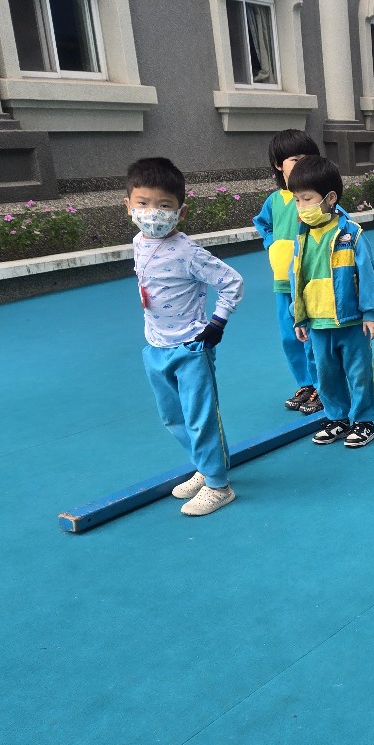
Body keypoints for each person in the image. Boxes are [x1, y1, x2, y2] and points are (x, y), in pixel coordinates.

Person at [127, 157, 244, 516]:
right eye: (143, 203)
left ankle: (218, 485)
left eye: (164, 205)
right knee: (173, 417)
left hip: (191, 347)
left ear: (181, 211)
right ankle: (204, 466)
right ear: (128, 206)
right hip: (156, 347)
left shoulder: (187, 252)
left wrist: (216, 325)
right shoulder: (138, 242)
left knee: (200, 417)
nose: (152, 213)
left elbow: (232, 282)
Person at [288, 156, 374, 448]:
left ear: (330, 198)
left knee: (359, 373)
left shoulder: (351, 234)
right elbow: (296, 279)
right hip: (317, 323)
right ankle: (337, 418)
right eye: (297, 200)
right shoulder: (301, 239)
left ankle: (364, 421)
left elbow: (366, 274)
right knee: (325, 375)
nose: (301, 207)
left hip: (350, 321)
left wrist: (370, 313)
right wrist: (299, 317)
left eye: (307, 199)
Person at [252, 129, 323, 415]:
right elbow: (262, 224)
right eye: (294, 159)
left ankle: (322, 384)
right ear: (278, 165)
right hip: (283, 283)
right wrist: (272, 243)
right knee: (290, 337)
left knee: (313, 336)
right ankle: (306, 383)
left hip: (311, 283)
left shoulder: (316, 198)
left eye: (307, 157)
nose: (301, 163)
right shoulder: (274, 201)